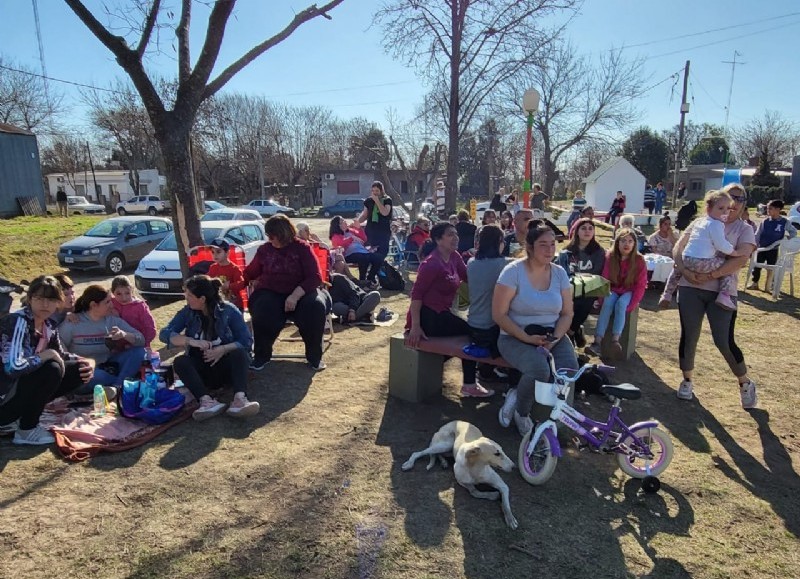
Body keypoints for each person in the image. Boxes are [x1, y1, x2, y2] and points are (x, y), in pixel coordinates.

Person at [671, 183, 757, 408]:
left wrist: (713, 274)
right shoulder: (700, 222)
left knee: (723, 340)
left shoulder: (744, 229)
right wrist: (687, 271)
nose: (734, 202)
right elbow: (678, 249)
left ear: (743, 204)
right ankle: (687, 380)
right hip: (690, 287)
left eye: (739, 199)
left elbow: (741, 258)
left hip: (722, 292)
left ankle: (744, 382)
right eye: (731, 197)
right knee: (689, 335)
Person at [494, 225, 577, 436]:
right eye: (543, 245)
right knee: (540, 369)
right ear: (530, 247)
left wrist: (555, 338)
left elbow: (567, 313)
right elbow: (499, 314)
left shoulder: (559, 273)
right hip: (515, 336)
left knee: (568, 370)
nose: (550, 250)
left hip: (552, 335)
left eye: (553, 244)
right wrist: (526, 338)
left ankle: (556, 416)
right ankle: (521, 412)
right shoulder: (513, 272)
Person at [0, 275, 95, 445]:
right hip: (4, 397)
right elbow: (12, 367)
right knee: (51, 368)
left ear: (58, 302)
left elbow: (61, 355)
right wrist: (45, 355)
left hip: (17, 391)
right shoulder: (18, 322)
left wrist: (87, 362)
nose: (45, 305)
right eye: (39, 298)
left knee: (77, 369)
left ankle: (20, 417)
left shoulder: (47, 326)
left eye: (51, 299)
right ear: (30, 299)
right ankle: (26, 429)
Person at [405, 222, 493, 398]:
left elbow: (469, 277)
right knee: (472, 334)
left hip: (443, 314)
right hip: (428, 316)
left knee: (471, 333)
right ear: (438, 240)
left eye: (456, 234)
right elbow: (416, 296)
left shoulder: (455, 257)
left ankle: (430, 367)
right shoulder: (431, 264)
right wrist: (415, 326)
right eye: (450, 235)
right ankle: (469, 384)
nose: (456, 238)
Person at [160, 275, 259, 421]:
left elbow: (246, 340)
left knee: (240, 353)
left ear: (202, 299)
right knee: (180, 361)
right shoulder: (187, 312)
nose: (185, 297)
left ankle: (239, 399)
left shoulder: (228, 310)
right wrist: (190, 341)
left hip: (225, 366)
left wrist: (222, 349)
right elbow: (164, 334)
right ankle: (206, 401)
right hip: (201, 368)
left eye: (189, 295)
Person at [246, 215, 328, 371]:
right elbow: (250, 272)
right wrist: (232, 283)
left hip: (303, 291)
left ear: (283, 234)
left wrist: (295, 296)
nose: (270, 239)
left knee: (314, 306)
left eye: (273, 236)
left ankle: (314, 357)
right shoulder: (264, 250)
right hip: (271, 291)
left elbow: (315, 277)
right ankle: (261, 356)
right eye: (268, 236)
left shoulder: (302, 248)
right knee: (262, 306)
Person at [659, 190, 745, 311]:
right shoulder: (717, 224)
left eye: (727, 208)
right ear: (709, 209)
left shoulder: (699, 222)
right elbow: (721, 245)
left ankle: (667, 293)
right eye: (721, 208)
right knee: (728, 267)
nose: (725, 212)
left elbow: (683, 244)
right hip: (703, 262)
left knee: (677, 268)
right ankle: (724, 295)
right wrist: (734, 252)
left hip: (687, 258)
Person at [58, 284, 146, 392]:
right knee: (99, 377)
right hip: (86, 370)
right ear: (94, 305)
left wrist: (124, 335)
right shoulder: (73, 322)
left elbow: (141, 340)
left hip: (109, 365)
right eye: (107, 302)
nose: (112, 305)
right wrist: (71, 363)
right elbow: (58, 346)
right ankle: (122, 383)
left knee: (139, 352)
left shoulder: (112, 320)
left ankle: (116, 386)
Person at [585, 229, 647, 359]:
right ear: (617, 242)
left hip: (629, 290)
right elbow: (605, 278)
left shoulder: (639, 260)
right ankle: (597, 341)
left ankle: (615, 340)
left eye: (630, 241)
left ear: (634, 244)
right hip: (612, 288)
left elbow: (641, 285)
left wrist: (632, 304)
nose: (627, 244)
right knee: (608, 302)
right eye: (623, 240)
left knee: (621, 304)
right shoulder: (610, 257)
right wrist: (601, 299)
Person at [466, 225, 512, 382]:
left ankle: (486, 370)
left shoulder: (471, 263)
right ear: (499, 242)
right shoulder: (506, 265)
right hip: (492, 331)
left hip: (473, 325)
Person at [557, 218, 606, 348]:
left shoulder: (598, 252)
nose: (587, 231)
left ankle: (571, 332)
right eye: (583, 228)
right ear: (576, 231)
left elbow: (596, 274)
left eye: (590, 228)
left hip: (589, 290)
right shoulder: (566, 252)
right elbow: (562, 273)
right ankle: (574, 330)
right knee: (567, 301)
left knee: (584, 299)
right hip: (569, 289)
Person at [747, 199, 797, 291]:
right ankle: (755, 283)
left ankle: (771, 284)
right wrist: (754, 245)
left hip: (773, 249)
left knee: (772, 268)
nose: (768, 210)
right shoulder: (765, 221)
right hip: (761, 248)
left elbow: (793, 231)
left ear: (778, 209)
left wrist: (788, 238)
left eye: (771, 208)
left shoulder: (784, 222)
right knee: (757, 266)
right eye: (768, 208)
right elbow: (758, 234)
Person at [329, 216, 383, 286]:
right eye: (342, 221)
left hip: (362, 251)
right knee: (363, 258)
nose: (345, 222)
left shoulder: (351, 230)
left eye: (344, 220)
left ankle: (371, 277)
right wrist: (351, 238)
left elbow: (364, 239)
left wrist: (359, 228)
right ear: (338, 225)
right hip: (348, 254)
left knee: (378, 258)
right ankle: (362, 280)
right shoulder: (335, 236)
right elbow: (340, 243)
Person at [110, 275, 157, 349]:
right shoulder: (110, 303)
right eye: (119, 294)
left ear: (132, 290)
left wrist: (145, 344)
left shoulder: (140, 306)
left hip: (137, 345)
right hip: (116, 347)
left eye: (127, 293)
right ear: (112, 293)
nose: (124, 298)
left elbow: (150, 329)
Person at [206, 238, 246, 311]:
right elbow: (207, 280)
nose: (215, 255)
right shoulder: (213, 268)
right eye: (212, 252)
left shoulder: (234, 268)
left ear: (227, 253)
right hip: (219, 304)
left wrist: (229, 286)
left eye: (218, 252)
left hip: (235, 305)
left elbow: (242, 283)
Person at [358, 180, 393, 260]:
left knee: (382, 252)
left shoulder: (387, 200)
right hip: (371, 230)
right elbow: (364, 215)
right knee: (371, 252)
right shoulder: (368, 201)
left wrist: (377, 201)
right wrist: (357, 221)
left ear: (381, 190)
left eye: (377, 191)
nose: (375, 193)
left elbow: (385, 212)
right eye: (373, 191)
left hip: (383, 230)